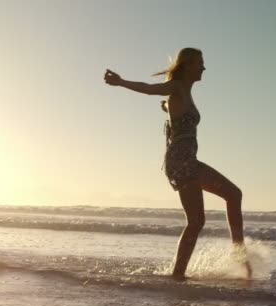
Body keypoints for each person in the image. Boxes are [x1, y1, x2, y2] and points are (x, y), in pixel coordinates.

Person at [104, 47, 252, 280]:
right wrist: (121, 82)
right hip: (180, 161)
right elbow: (149, 89)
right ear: (188, 65)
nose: (204, 67)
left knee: (233, 195)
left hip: (187, 159)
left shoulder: (185, 92)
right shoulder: (177, 87)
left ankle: (239, 257)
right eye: (200, 62)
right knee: (197, 220)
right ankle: (178, 275)